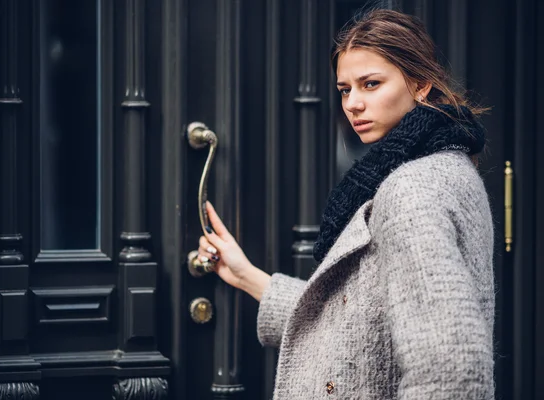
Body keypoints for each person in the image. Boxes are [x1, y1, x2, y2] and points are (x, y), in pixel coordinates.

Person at [197, 8, 494, 400]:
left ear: (420, 85)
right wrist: (244, 274)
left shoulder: (413, 188)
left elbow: (451, 370)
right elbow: (358, 324)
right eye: (344, 89)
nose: (353, 103)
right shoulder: (443, 166)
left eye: (370, 84)